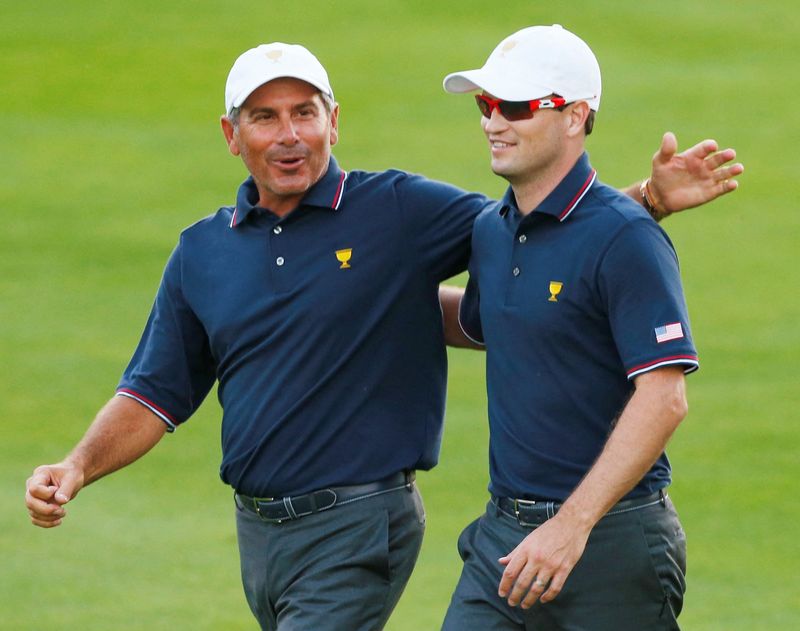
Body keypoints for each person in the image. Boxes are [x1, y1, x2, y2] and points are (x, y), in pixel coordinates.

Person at [25, 41, 741, 631]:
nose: (289, 134)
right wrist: (78, 466)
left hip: (394, 526)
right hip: (369, 534)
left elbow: (565, 241)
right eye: (266, 117)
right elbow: (156, 391)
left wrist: (641, 205)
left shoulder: (402, 210)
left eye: (305, 112)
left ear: (334, 121)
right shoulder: (205, 251)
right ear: (231, 133)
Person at [440, 25, 722, 630]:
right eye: (485, 105)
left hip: (610, 543)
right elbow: (493, 323)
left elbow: (665, 396)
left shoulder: (628, 238)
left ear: (574, 117)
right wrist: (353, 301)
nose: (493, 122)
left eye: (515, 106)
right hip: (505, 540)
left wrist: (570, 527)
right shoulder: (494, 229)